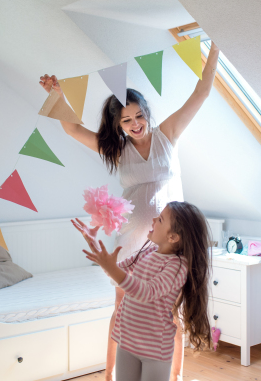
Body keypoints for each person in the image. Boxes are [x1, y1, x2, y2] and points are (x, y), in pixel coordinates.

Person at [40, 41, 219, 380]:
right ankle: (111, 374)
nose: (135, 124)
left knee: (170, 313)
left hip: (169, 240)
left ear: (147, 112)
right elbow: (72, 129)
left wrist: (215, 46)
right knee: (123, 307)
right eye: (126, 120)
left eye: (139, 115)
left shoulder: (168, 135)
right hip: (134, 240)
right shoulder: (117, 150)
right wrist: (56, 94)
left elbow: (202, 92)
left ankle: (174, 375)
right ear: (118, 125)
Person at [71, 201, 213, 381]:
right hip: (127, 341)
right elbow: (114, 272)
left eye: (160, 219)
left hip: (155, 350)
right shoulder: (148, 253)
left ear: (173, 237)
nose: (153, 219)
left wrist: (112, 268)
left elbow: (146, 292)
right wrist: (94, 245)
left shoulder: (177, 266)